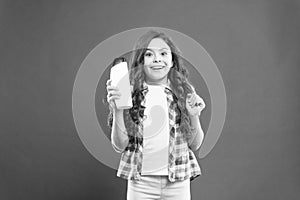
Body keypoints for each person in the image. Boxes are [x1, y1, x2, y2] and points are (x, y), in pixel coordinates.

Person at [105, 30, 206, 200]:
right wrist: (117, 110)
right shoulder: (129, 94)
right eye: (149, 54)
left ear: (172, 61)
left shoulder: (184, 93)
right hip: (141, 183)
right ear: (141, 61)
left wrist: (194, 116)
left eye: (164, 53)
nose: (157, 59)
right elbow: (119, 146)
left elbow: (195, 145)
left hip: (178, 181)